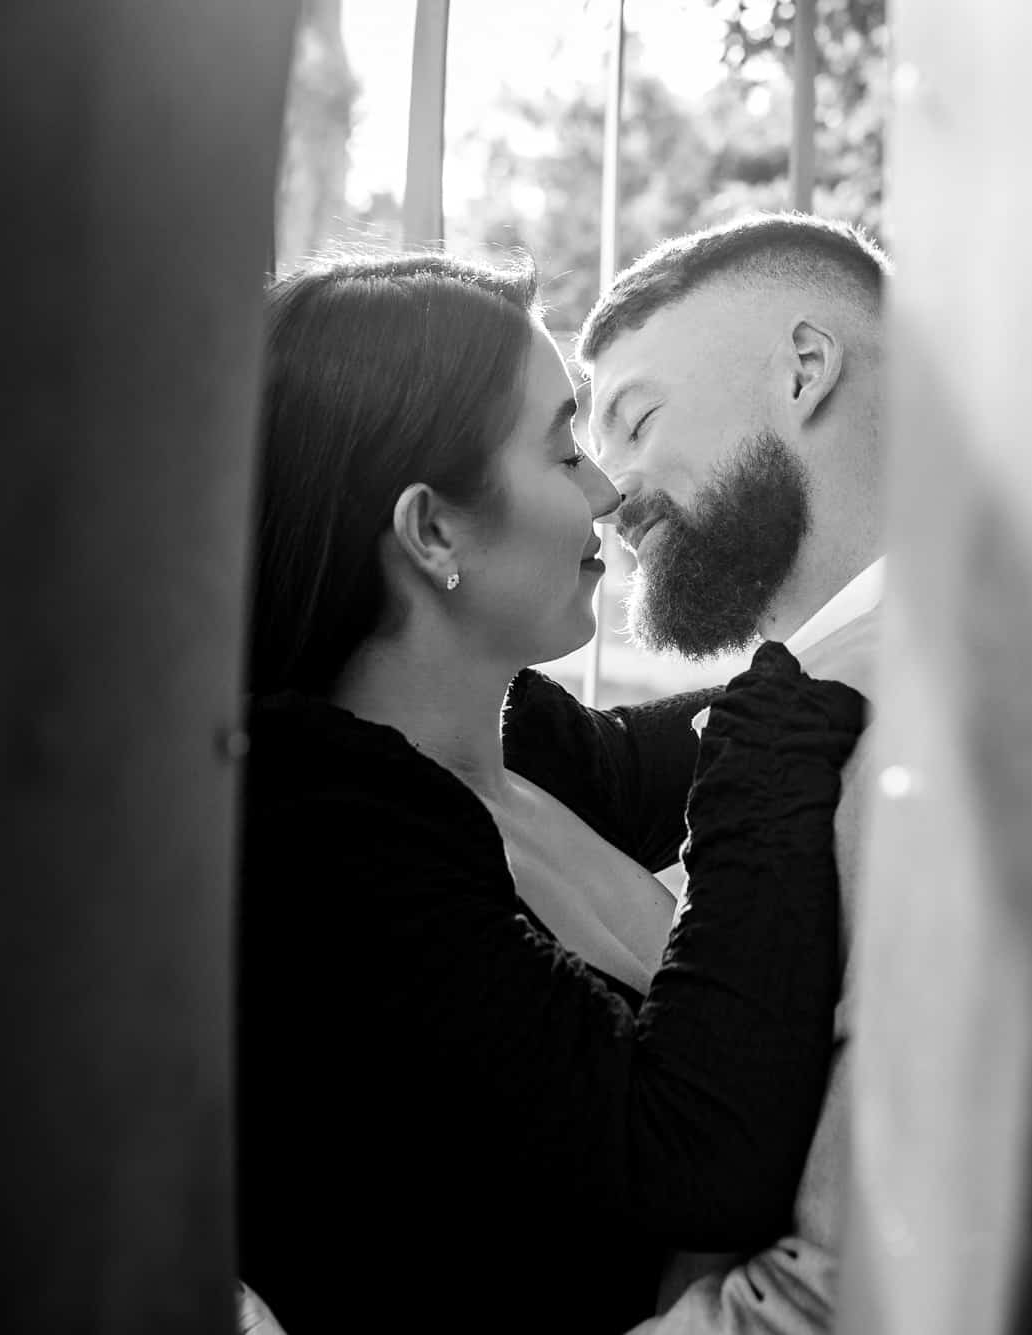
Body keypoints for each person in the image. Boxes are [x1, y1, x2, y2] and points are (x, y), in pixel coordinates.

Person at [577, 213, 1032, 1334]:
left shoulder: (991, 741)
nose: (606, 490)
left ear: (804, 370)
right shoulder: (850, 711)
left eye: (634, 418)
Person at [237, 250, 867, 1335]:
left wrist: (940, 650)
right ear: (432, 530)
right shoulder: (319, 844)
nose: (607, 489)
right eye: (561, 446)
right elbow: (689, 1157)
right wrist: (779, 739)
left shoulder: (513, 745)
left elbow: (697, 741)